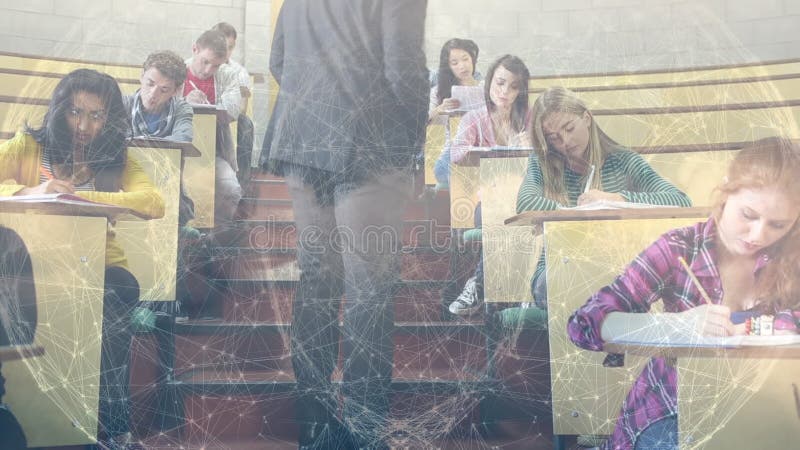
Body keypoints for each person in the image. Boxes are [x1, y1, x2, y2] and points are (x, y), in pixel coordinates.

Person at [262, 1, 428, 448]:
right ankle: (364, 431)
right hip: (371, 141)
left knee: (317, 283)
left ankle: (313, 426)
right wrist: (413, 144)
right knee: (368, 290)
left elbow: (278, 60)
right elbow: (404, 69)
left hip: (303, 137)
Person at [568, 137, 800, 450]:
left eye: (778, 224)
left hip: (769, 408)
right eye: (748, 215)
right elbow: (584, 324)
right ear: (726, 190)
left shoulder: (793, 254)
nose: (758, 236)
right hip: (671, 408)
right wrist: (675, 326)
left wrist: (750, 326)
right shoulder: (680, 247)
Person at [0, 68, 165, 449]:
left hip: (98, 265)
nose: (84, 125)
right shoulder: (29, 145)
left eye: (97, 115)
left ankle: (114, 428)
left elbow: (151, 202)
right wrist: (32, 190)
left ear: (110, 119)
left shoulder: (117, 158)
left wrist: (79, 199)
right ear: (60, 110)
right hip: (33, 263)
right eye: (76, 112)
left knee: (121, 289)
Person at [516, 86, 692, 309]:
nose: (565, 142)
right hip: (559, 268)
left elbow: (679, 200)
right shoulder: (542, 162)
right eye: (554, 138)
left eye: (569, 128)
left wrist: (617, 199)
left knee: (615, 281)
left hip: (614, 265)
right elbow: (526, 202)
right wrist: (578, 217)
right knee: (561, 285)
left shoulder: (623, 160)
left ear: (587, 118)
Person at [447, 54, 530, 316]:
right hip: (487, 199)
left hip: (526, 196)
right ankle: (499, 287)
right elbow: (455, 154)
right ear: (490, 81)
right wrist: (484, 152)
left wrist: (530, 149)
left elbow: (547, 160)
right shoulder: (474, 118)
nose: (505, 92)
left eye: (514, 86)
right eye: (500, 83)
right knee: (496, 214)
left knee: (523, 216)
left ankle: (478, 284)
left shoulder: (528, 118)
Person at [183, 29, 243, 239]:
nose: (209, 70)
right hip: (177, 152)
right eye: (205, 61)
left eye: (216, 65)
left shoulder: (227, 75)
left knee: (232, 190)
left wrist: (209, 106)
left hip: (213, 152)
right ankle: (182, 236)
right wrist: (185, 102)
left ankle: (214, 240)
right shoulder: (176, 71)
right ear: (194, 49)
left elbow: (233, 110)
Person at [429, 38, 482, 187]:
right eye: (455, 63)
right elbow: (425, 123)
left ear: (472, 59)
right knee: (451, 173)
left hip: (483, 147)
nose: (462, 66)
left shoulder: (487, 88)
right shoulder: (438, 92)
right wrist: (440, 109)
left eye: (466, 59)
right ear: (448, 67)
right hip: (453, 151)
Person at [211, 21, 255, 184]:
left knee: (246, 124)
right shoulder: (202, 64)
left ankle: (243, 180)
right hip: (205, 115)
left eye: (230, 47)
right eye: (222, 46)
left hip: (228, 117)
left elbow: (242, 106)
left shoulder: (240, 72)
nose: (225, 51)